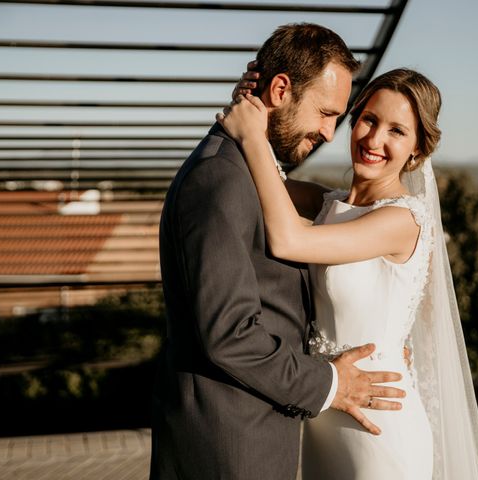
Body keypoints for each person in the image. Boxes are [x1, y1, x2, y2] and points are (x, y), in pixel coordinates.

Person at [149, 24, 406, 480]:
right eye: (326, 113)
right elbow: (229, 334)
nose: (330, 133)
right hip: (229, 441)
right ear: (281, 89)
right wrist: (330, 383)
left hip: (256, 429)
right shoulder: (220, 179)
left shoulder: (250, 170)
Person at [219, 68, 478, 478]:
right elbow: (255, 179)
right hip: (325, 416)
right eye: (369, 119)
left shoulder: (403, 221)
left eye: (397, 131)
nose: (374, 140)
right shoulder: (327, 204)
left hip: (379, 425)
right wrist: (252, 104)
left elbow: (288, 240)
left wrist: (251, 135)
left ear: (417, 151)